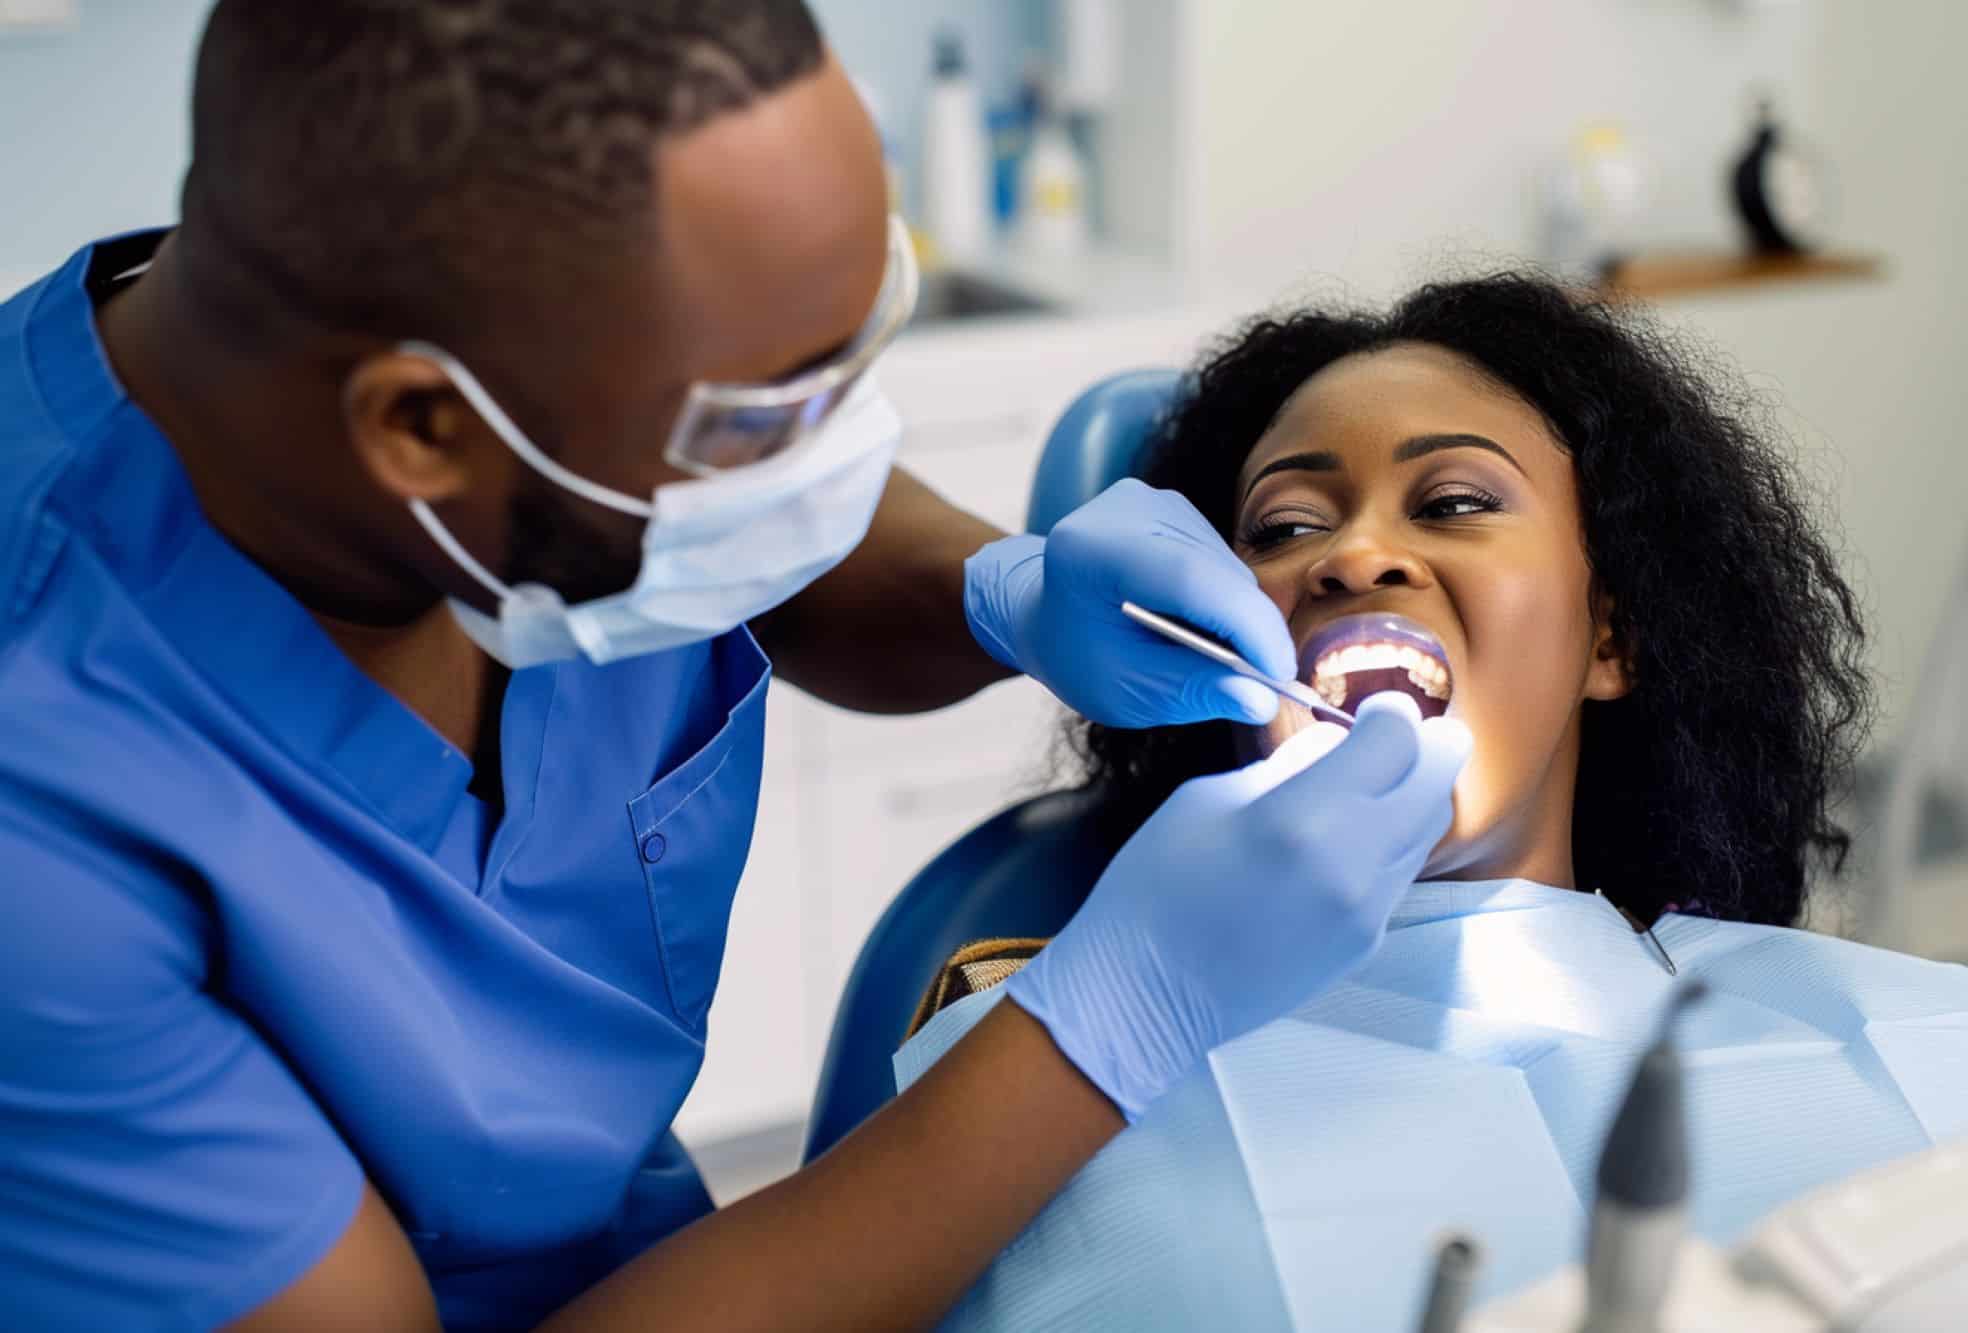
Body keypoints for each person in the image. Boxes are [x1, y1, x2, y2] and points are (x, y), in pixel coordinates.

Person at [0, 3, 1475, 1329]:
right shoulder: (41, 825)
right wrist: (1107, 1022)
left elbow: (781, 531)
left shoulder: (504, 355)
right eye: (772, 423)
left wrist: (993, 593)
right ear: (424, 434)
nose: (836, 458)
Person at [897, 274, 1968, 1328]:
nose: (1354, 554)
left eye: (1454, 501)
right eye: (1281, 528)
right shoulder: (1033, 1067)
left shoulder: (1918, 1027)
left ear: (1608, 637)